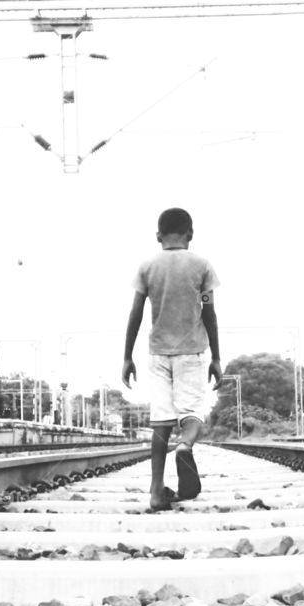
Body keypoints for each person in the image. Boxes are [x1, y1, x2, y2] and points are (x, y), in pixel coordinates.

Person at [122, 207, 222, 511]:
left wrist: (127, 356)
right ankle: (184, 445)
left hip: (157, 355)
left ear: (157, 236)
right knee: (191, 415)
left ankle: (155, 492)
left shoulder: (147, 267)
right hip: (191, 353)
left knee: (161, 423)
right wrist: (216, 357)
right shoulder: (202, 266)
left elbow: (136, 313)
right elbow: (209, 312)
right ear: (190, 235)